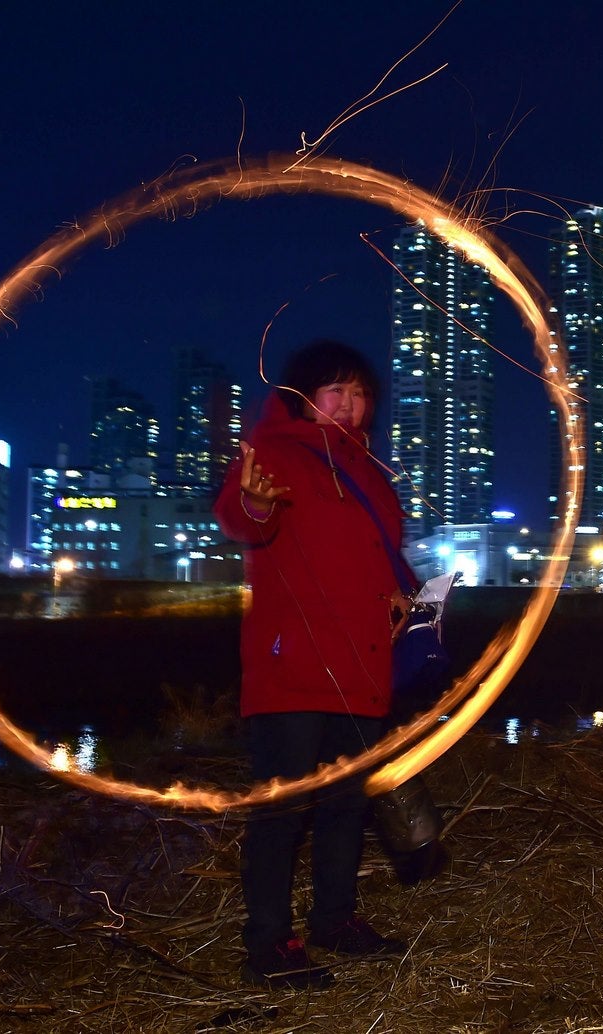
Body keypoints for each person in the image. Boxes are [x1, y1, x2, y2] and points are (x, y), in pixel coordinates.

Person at [215, 340, 414, 988]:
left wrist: (402, 596)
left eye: (360, 395)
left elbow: (383, 558)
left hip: (361, 666)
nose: (351, 406)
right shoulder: (271, 453)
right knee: (282, 810)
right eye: (337, 392)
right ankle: (268, 944)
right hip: (292, 668)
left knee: (344, 805)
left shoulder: (370, 474)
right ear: (304, 395)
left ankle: (336, 919)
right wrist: (257, 503)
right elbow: (242, 519)